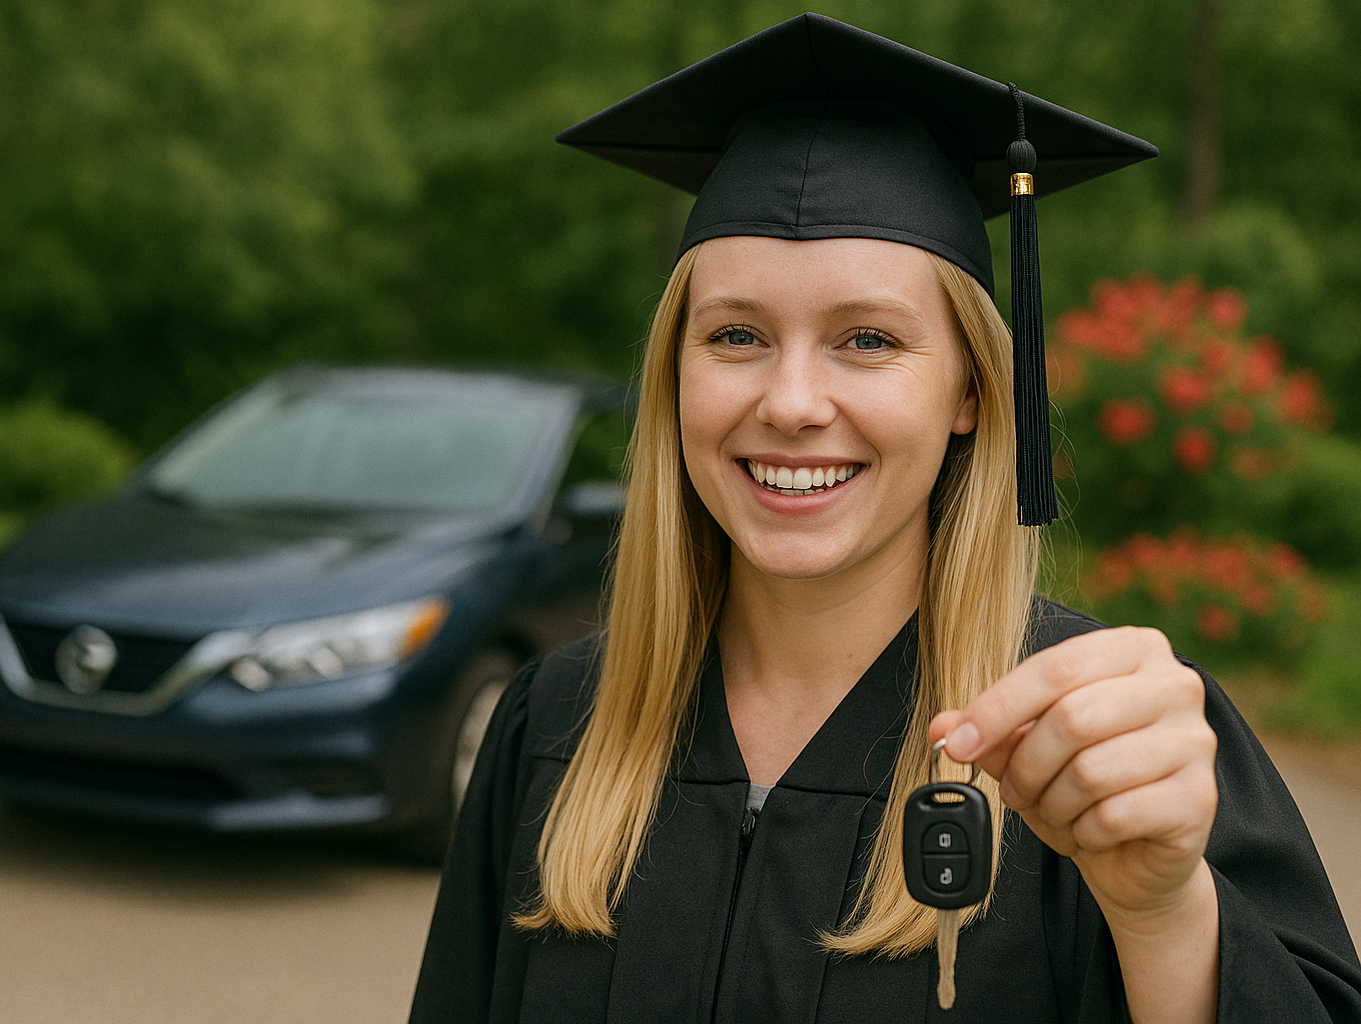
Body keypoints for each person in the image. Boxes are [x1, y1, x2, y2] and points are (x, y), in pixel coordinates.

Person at [409, 14, 1361, 1024]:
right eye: (735, 334)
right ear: (671, 375)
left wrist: (1166, 914)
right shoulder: (553, 726)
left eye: (867, 338)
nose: (791, 401)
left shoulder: (1102, 750)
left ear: (970, 392)